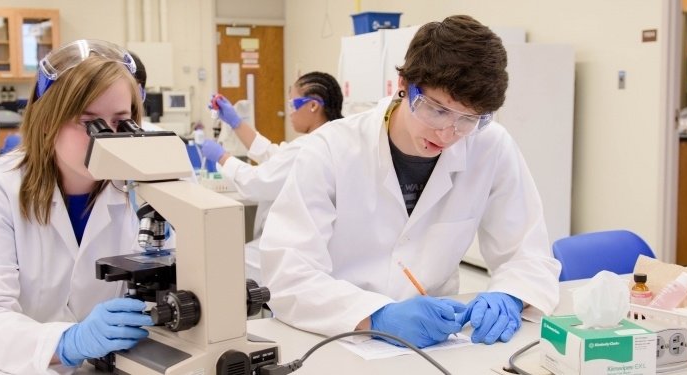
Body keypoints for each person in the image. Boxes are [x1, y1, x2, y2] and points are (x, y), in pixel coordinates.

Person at [259, 15, 560, 349]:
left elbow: (528, 252)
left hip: (438, 341)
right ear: (402, 83)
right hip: (337, 337)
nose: (448, 133)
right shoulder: (331, 149)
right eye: (437, 110)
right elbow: (288, 274)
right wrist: (377, 317)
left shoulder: (489, 145)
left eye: (468, 119)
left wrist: (511, 294)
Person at [0, 40, 154, 374]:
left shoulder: (143, 186)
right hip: (1, 363)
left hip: (102, 364)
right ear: (48, 119)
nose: (108, 138)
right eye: (89, 122)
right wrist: (69, 342)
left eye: (120, 121)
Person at [199, 72, 343, 281]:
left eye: (293, 105)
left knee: (219, 266)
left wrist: (222, 157)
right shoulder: (329, 138)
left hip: (297, 254)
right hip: (311, 248)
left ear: (313, 106)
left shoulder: (311, 148)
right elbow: (275, 156)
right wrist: (236, 122)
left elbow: (257, 182)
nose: (290, 112)